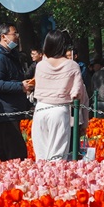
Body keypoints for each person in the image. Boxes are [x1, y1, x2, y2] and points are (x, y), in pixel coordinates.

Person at [0, 24, 34, 161]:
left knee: (7, 151)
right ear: (3, 37)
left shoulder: (9, 55)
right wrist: (20, 86)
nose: (17, 37)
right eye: (14, 34)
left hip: (11, 109)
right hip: (4, 111)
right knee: (16, 153)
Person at [30, 30, 86, 161]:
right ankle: (54, 181)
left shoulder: (40, 65)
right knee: (57, 155)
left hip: (40, 109)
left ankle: (41, 180)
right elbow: (77, 93)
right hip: (59, 110)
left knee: (41, 155)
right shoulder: (72, 65)